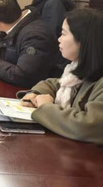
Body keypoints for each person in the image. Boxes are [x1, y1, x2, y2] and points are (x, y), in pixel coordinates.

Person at [19, 8, 103, 144]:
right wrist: (36, 94)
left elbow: (87, 126)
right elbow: (55, 83)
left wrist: (46, 107)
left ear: (83, 40)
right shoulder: (75, 69)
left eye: (63, 34)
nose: (59, 39)